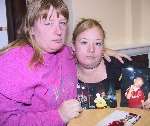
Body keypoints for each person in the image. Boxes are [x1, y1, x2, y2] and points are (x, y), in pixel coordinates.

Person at [0, 0, 82, 125]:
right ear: (31, 29)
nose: (59, 31)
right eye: (48, 23)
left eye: (62, 23)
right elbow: (5, 121)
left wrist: (102, 51)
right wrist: (59, 116)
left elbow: (84, 55)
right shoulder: (14, 61)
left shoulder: (66, 52)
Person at [72, 18, 132, 109]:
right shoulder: (65, 71)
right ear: (73, 46)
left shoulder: (118, 65)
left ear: (103, 47)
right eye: (84, 42)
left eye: (97, 43)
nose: (91, 49)